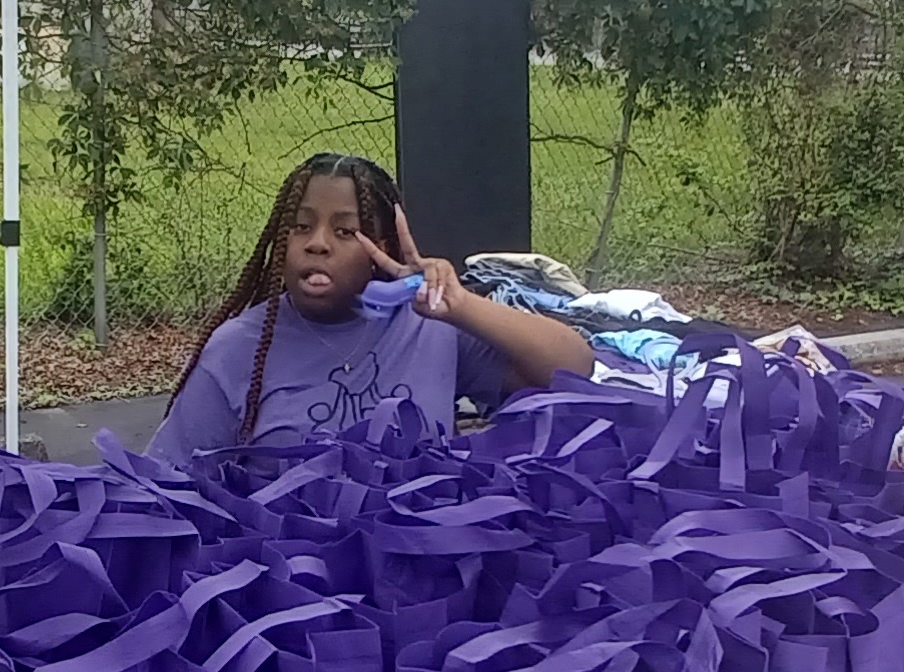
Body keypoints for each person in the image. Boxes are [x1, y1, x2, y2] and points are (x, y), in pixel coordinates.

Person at [149, 152, 593, 462]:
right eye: (300, 227)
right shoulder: (237, 350)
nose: (317, 244)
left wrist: (460, 305)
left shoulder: (428, 326)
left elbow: (572, 368)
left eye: (345, 232)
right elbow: (166, 482)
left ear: (381, 248)